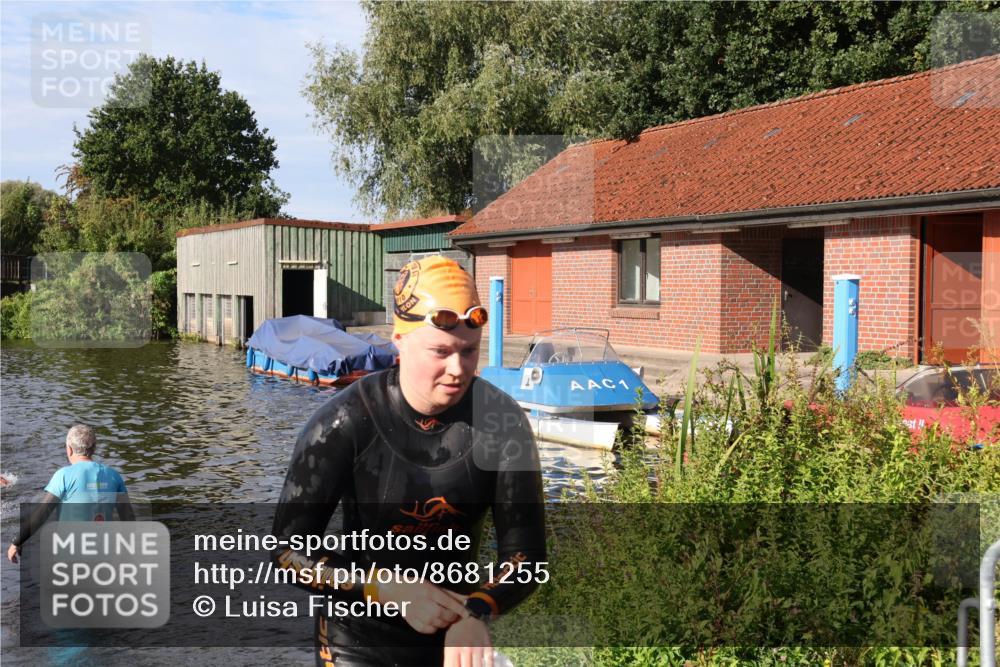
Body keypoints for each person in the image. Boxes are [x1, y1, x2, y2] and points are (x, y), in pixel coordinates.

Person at [272, 255, 546, 667]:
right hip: (357, 639)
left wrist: (479, 610)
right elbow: (287, 552)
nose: (458, 370)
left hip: (453, 631)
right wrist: (387, 590)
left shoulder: (502, 422)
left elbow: (526, 557)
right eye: (441, 351)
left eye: (469, 352)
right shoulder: (345, 420)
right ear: (399, 341)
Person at [7, 424, 134, 564]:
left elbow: (41, 514)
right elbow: (128, 518)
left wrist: (17, 542)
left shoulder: (63, 475)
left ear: (69, 449)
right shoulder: (114, 476)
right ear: (94, 448)